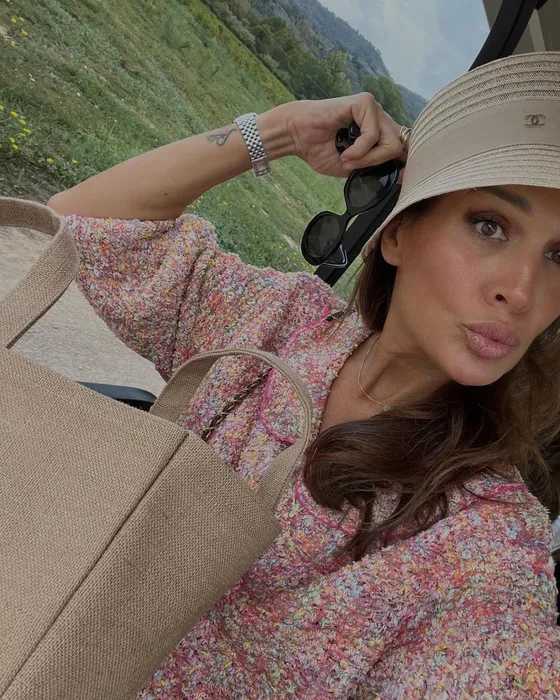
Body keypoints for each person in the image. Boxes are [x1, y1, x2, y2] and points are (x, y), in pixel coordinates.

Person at [47, 52, 560, 697]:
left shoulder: (488, 539)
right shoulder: (282, 325)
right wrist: (280, 131)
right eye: (490, 226)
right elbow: (86, 227)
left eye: (559, 256)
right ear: (397, 236)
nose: (521, 290)